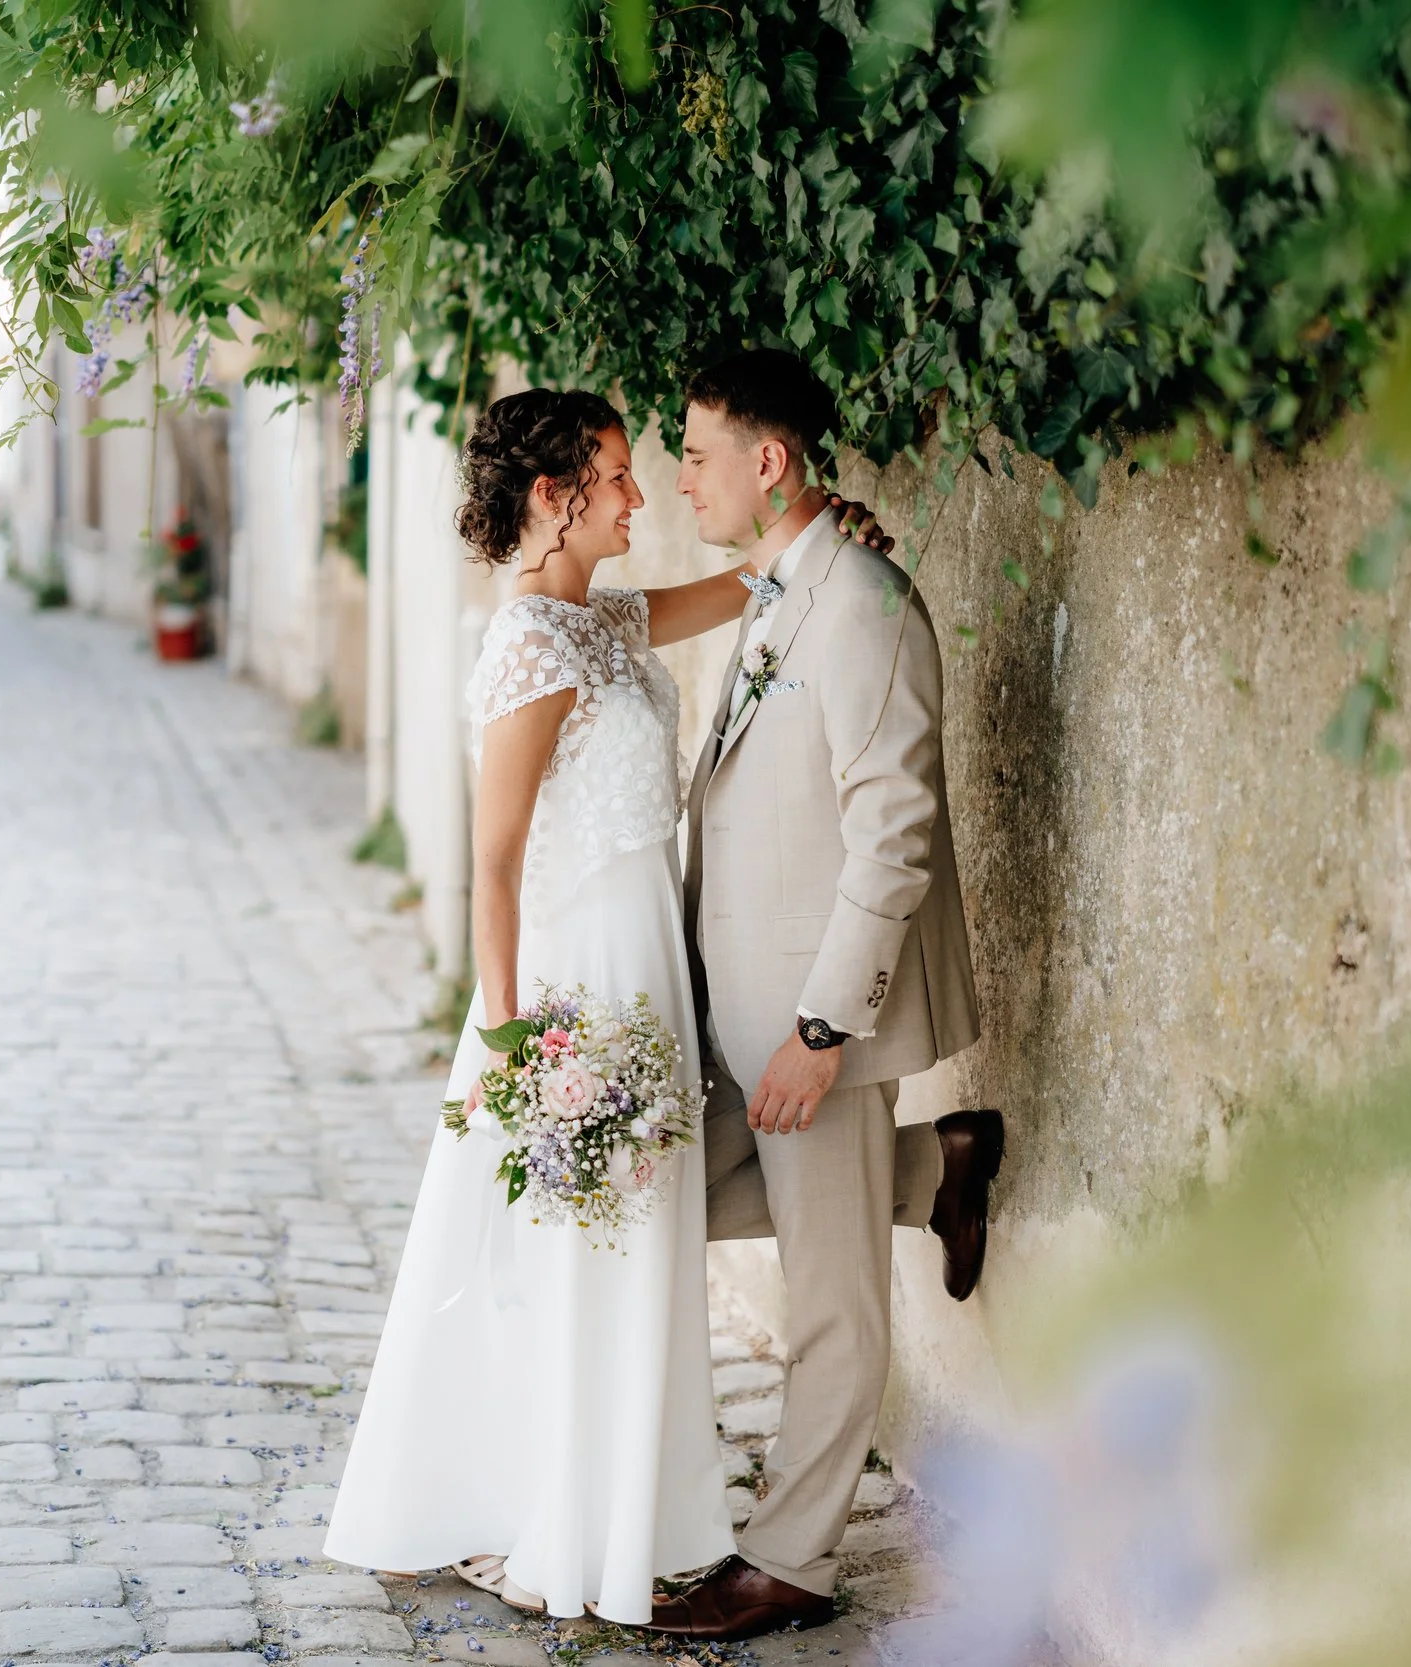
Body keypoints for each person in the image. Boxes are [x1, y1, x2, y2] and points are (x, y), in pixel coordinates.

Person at [322, 387, 897, 1623]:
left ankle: (638, 1505)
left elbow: (745, 585)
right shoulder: (530, 644)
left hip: (652, 966)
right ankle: (574, 1515)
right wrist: (518, 1047)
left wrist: (815, 526)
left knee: (645, 1242)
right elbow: (492, 863)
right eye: (618, 474)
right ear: (554, 495)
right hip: (580, 988)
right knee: (590, 1256)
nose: (641, 496)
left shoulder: (606, 617)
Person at [647, 348, 1001, 1643]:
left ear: (769, 460)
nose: (680, 478)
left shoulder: (860, 605)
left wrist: (820, 1028)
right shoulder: (780, 588)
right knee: (660, 1208)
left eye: (695, 453)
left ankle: (790, 1558)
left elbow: (893, 834)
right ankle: (938, 1167)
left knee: (833, 1300)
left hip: (813, 1026)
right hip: (733, 1017)